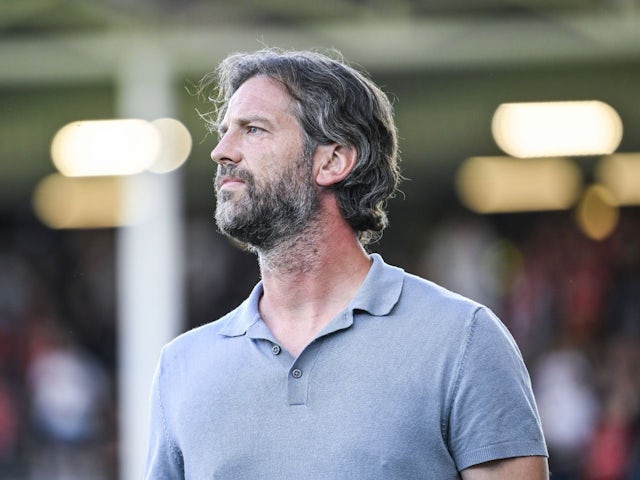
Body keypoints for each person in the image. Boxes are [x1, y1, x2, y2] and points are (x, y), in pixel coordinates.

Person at [144, 48, 549, 479]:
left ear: (333, 161)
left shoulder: (462, 340)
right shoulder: (182, 366)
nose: (222, 151)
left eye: (253, 129)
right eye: (225, 131)